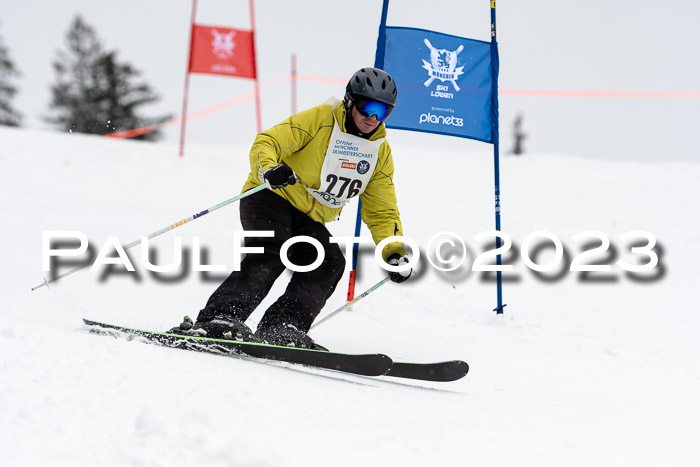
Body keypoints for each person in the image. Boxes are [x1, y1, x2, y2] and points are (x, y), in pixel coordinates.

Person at [169, 67, 412, 349]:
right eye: (366, 107)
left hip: (308, 216)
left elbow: (382, 209)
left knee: (328, 262)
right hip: (271, 196)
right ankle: (220, 318)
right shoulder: (320, 119)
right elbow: (268, 141)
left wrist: (394, 251)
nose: (372, 118)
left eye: (382, 112)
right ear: (349, 101)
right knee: (273, 250)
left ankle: (282, 328)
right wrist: (269, 169)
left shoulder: (378, 151)